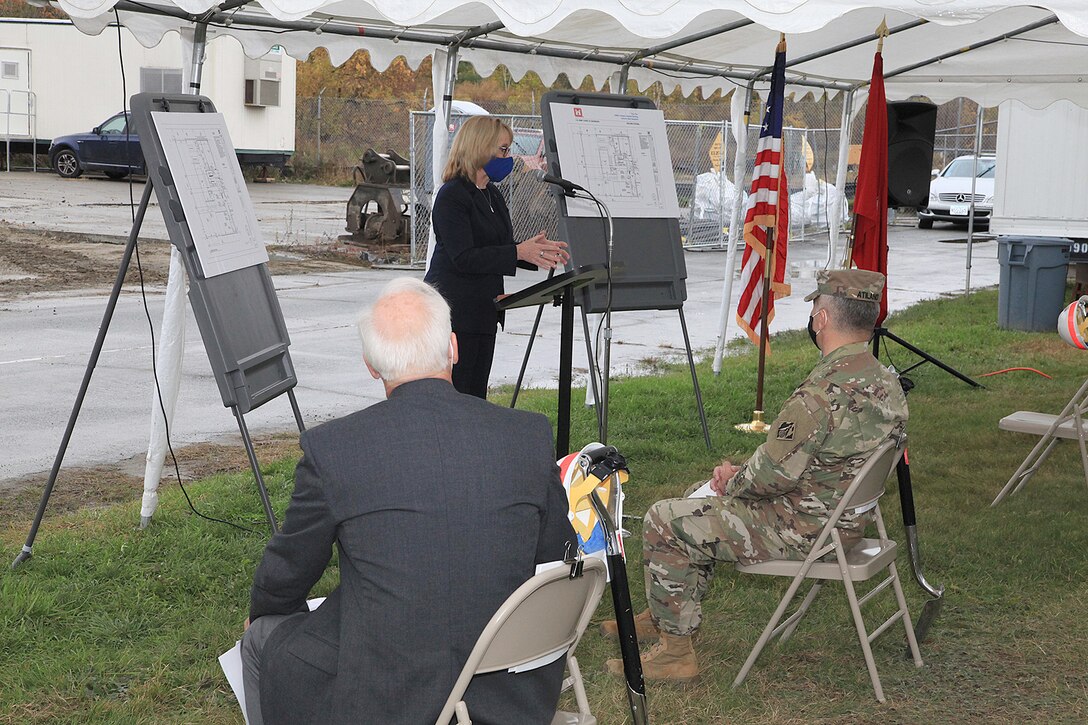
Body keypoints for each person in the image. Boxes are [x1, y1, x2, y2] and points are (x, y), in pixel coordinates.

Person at [240, 277, 576, 724]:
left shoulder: (335, 449)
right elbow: (558, 555)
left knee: (263, 637)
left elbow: (290, 569)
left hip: (389, 697)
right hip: (507, 689)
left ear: (371, 366)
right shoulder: (526, 435)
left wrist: (264, 613)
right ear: (454, 348)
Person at [601, 269, 907, 683]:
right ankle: (664, 613)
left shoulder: (821, 392)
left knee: (664, 518)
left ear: (822, 319)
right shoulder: (886, 380)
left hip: (805, 529)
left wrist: (733, 479)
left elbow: (770, 477)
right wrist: (744, 476)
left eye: (815, 307)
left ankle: (675, 653)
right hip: (845, 521)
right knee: (697, 504)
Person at [425, 115, 569, 399]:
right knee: (455, 397)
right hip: (454, 313)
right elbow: (464, 257)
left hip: (484, 313)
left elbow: (501, 247)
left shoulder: (492, 194)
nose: (509, 157)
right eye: (503, 149)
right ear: (480, 147)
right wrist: (518, 251)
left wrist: (539, 253)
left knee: (476, 397)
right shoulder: (452, 195)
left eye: (509, 149)